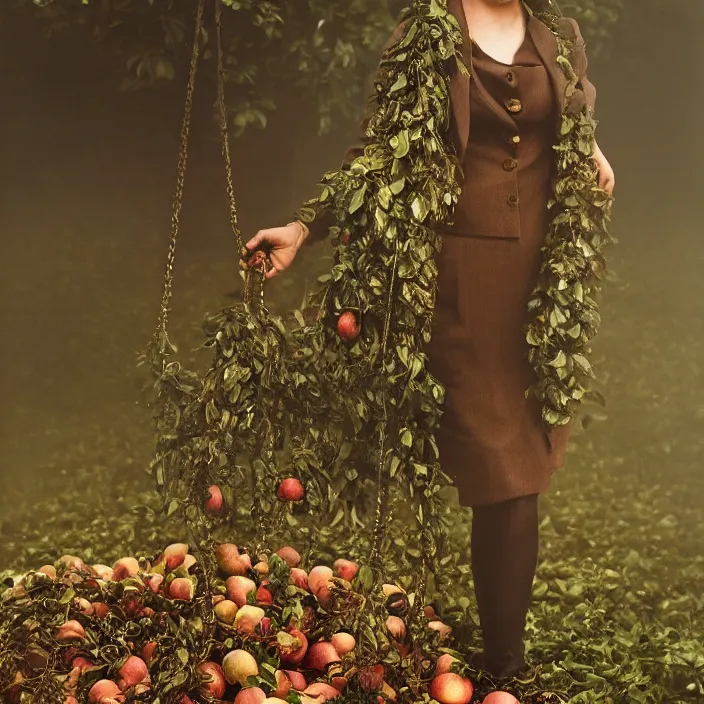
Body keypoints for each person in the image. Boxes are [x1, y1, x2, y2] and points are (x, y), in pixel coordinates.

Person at [245, 0, 615, 679]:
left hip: (539, 286)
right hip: (459, 284)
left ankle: (505, 658)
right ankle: (506, 662)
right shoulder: (427, 33)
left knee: (523, 466)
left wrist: (588, 147)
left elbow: (572, 113)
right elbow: (379, 154)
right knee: (504, 472)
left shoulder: (557, 33)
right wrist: (303, 228)